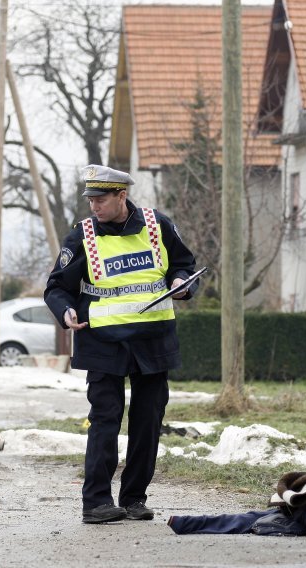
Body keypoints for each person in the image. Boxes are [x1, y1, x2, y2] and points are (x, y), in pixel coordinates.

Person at [44, 164, 198, 524]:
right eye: (91, 200)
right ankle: (96, 502)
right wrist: (65, 311)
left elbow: (183, 263)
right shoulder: (81, 235)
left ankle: (133, 499)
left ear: (121, 196)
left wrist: (182, 282)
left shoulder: (157, 224)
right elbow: (56, 287)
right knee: (105, 421)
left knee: (147, 422)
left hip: (152, 342)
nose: (94, 207)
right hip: (102, 343)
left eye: (100, 200)